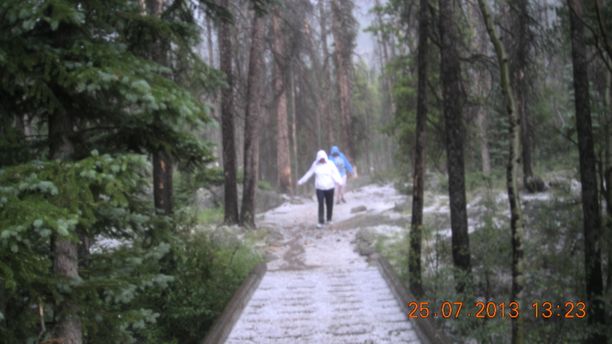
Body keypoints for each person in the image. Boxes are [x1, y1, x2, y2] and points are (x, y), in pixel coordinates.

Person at [297, 150, 344, 228]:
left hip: (330, 187)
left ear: (325, 157)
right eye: (320, 158)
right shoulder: (315, 164)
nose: (322, 160)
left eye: (323, 158)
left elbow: (335, 173)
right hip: (319, 188)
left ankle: (329, 219)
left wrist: (340, 182)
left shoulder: (330, 164)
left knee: (329, 203)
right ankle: (320, 221)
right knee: (321, 204)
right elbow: (309, 173)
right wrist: (301, 181)